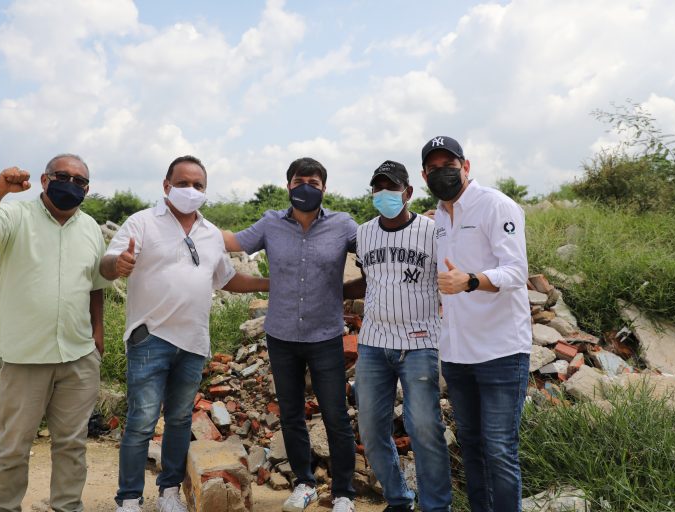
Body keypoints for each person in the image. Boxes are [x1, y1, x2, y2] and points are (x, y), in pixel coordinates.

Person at [101, 155, 269, 512]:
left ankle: (169, 493)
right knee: (142, 421)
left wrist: (269, 282)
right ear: (166, 186)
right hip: (151, 337)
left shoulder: (210, 234)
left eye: (198, 185)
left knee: (178, 421)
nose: (190, 190)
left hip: (193, 342)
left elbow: (228, 279)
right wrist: (118, 264)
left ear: (205, 192)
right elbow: (108, 261)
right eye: (183, 183)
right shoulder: (142, 223)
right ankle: (129, 499)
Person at [0, 154, 109, 512]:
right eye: (63, 176)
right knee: (13, 448)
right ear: (45, 181)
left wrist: (98, 333)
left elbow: (95, 285)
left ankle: (67, 507)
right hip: (25, 357)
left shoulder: (90, 227)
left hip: (78, 356)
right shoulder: (16, 215)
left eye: (80, 181)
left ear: (87, 190)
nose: (71, 184)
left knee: (72, 446)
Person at [223, 157, 357, 512]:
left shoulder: (343, 225)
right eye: (299, 181)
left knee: (335, 414)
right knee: (291, 414)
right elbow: (233, 242)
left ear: (324, 188)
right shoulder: (270, 223)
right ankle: (304, 483)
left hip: (325, 336)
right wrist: (188, 224)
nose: (305, 187)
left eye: (313, 181)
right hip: (281, 335)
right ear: (288, 185)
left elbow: (378, 248)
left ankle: (343, 491)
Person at [421, 136, 531, 512]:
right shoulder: (436, 220)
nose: (442, 172)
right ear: (424, 175)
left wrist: (470, 280)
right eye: (434, 168)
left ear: (466, 166)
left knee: (499, 448)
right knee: (471, 444)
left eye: (449, 165)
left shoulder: (496, 205)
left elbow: (517, 272)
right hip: (456, 352)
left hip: (501, 350)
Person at [344, 160, 452, 512]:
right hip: (374, 344)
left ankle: (436, 506)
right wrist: (334, 291)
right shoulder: (364, 233)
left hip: (420, 343)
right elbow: (369, 280)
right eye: (378, 188)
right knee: (372, 432)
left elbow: (448, 279)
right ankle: (399, 500)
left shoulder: (433, 232)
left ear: (408, 192)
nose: (384, 194)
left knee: (424, 429)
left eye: (392, 187)